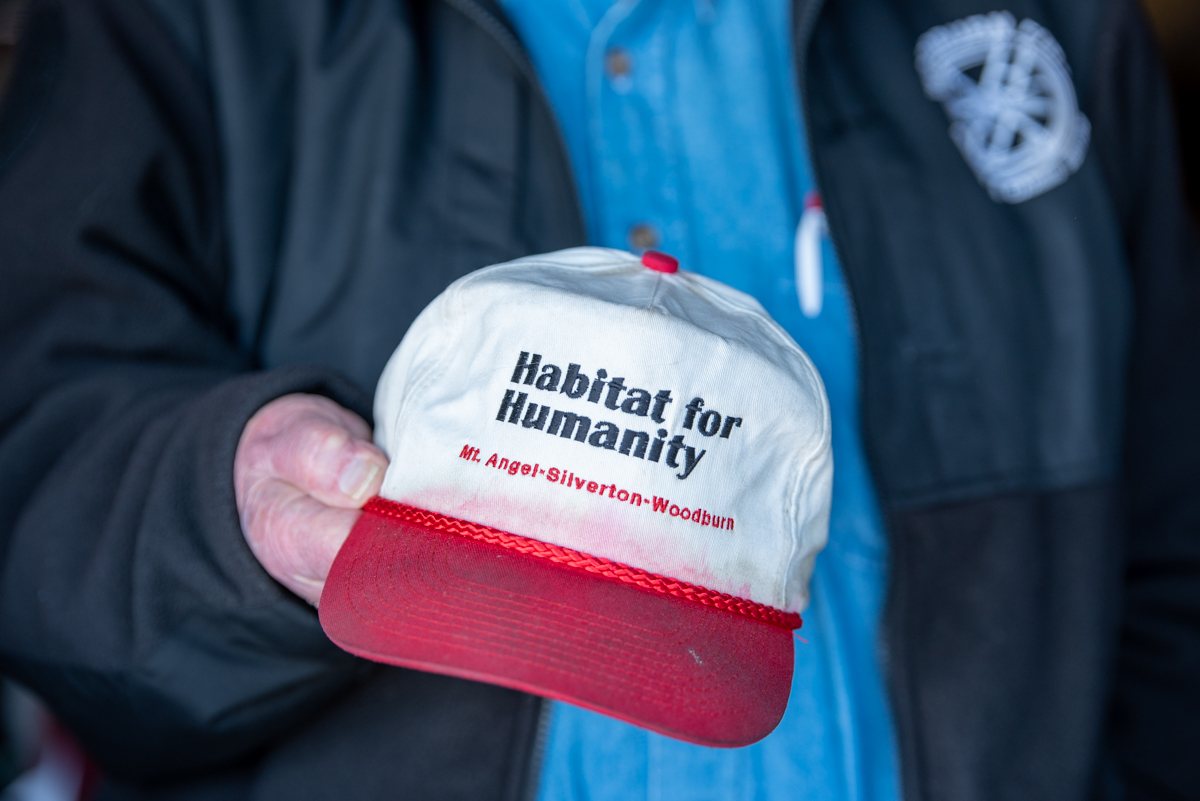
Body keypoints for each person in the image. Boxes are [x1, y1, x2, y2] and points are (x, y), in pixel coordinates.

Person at [0, 0, 1196, 799]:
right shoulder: (200, 27)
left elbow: (1171, 550)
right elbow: (32, 479)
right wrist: (224, 516)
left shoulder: (1053, 24)